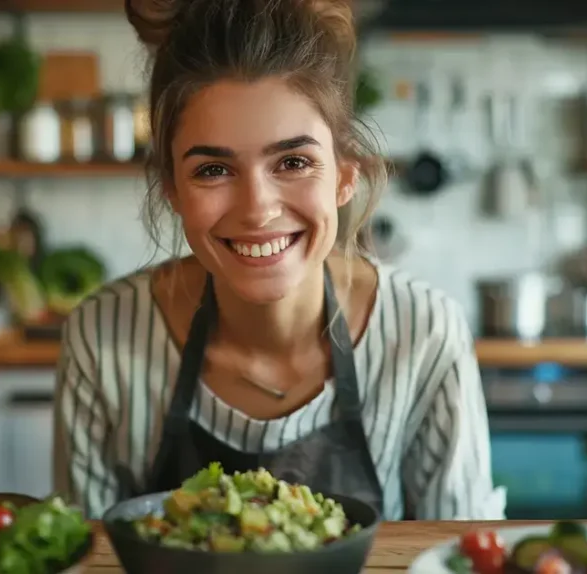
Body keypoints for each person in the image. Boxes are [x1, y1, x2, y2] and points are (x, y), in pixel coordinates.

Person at [52, 0, 506, 522]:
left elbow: (458, 555)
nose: (258, 209)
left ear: (344, 175)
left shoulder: (425, 334)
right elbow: (85, 558)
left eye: (293, 162)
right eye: (213, 170)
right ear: (172, 188)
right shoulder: (101, 336)